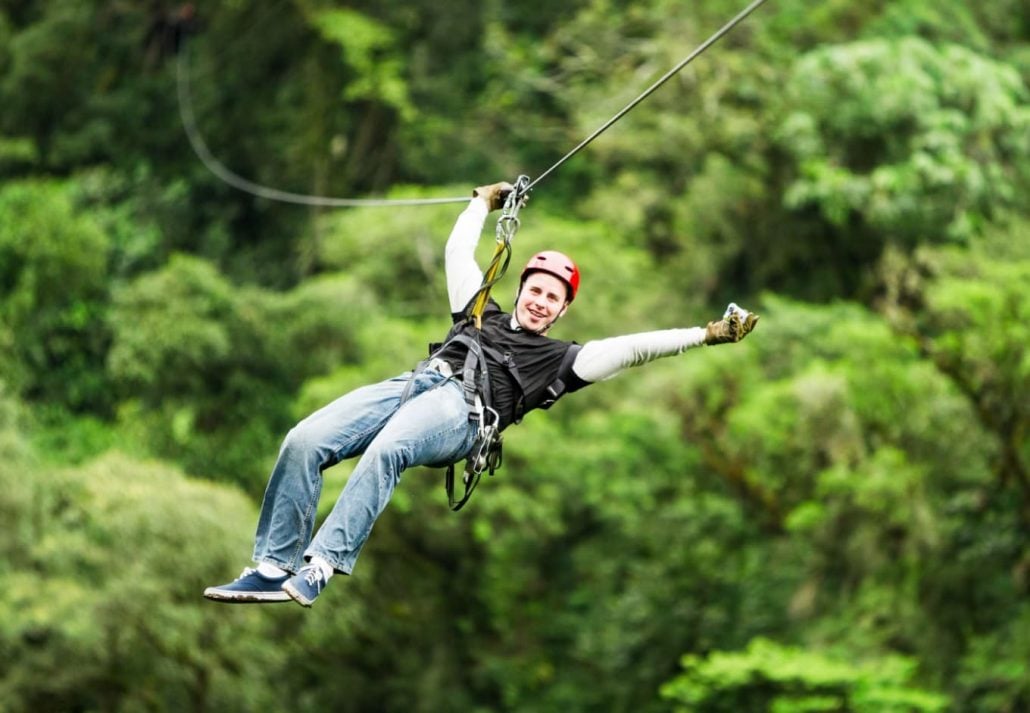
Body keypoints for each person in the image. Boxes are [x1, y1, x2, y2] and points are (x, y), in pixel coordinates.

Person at [204, 181, 759, 607]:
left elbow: (636, 347)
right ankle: (273, 567)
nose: (541, 302)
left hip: (464, 413)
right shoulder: (477, 311)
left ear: (564, 311)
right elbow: (456, 254)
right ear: (521, 291)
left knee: (388, 449)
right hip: (415, 385)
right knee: (306, 439)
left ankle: (320, 564)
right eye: (536, 291)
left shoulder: (563, 360)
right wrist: (481, 203)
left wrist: (706, 334)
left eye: (553, 299)